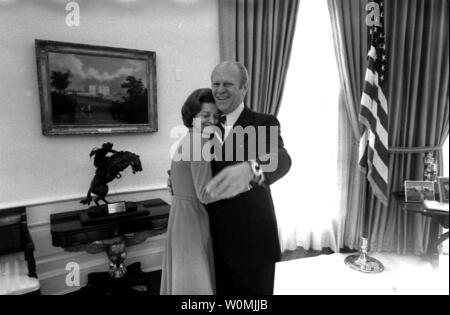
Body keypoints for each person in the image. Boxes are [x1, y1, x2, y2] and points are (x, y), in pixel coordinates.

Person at [204, 61, 292, 295]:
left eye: (228, 84)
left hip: (252, 242)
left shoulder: (263, 122)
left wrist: (251, 169)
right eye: (216, 83)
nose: (220, 90)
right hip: (211, 239)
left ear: (244, 89)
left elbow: (282, 158)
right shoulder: (205, 124)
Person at [160, 88, 246, 295]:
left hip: (182, 214)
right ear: (192, 116)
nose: (211, 120)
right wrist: (244, 183)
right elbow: (205, 194)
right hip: (192, 218)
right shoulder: (199, 141)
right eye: (205, 115)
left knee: (185, 277)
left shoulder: (190, 138)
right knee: (194, 282)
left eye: (216, 116)